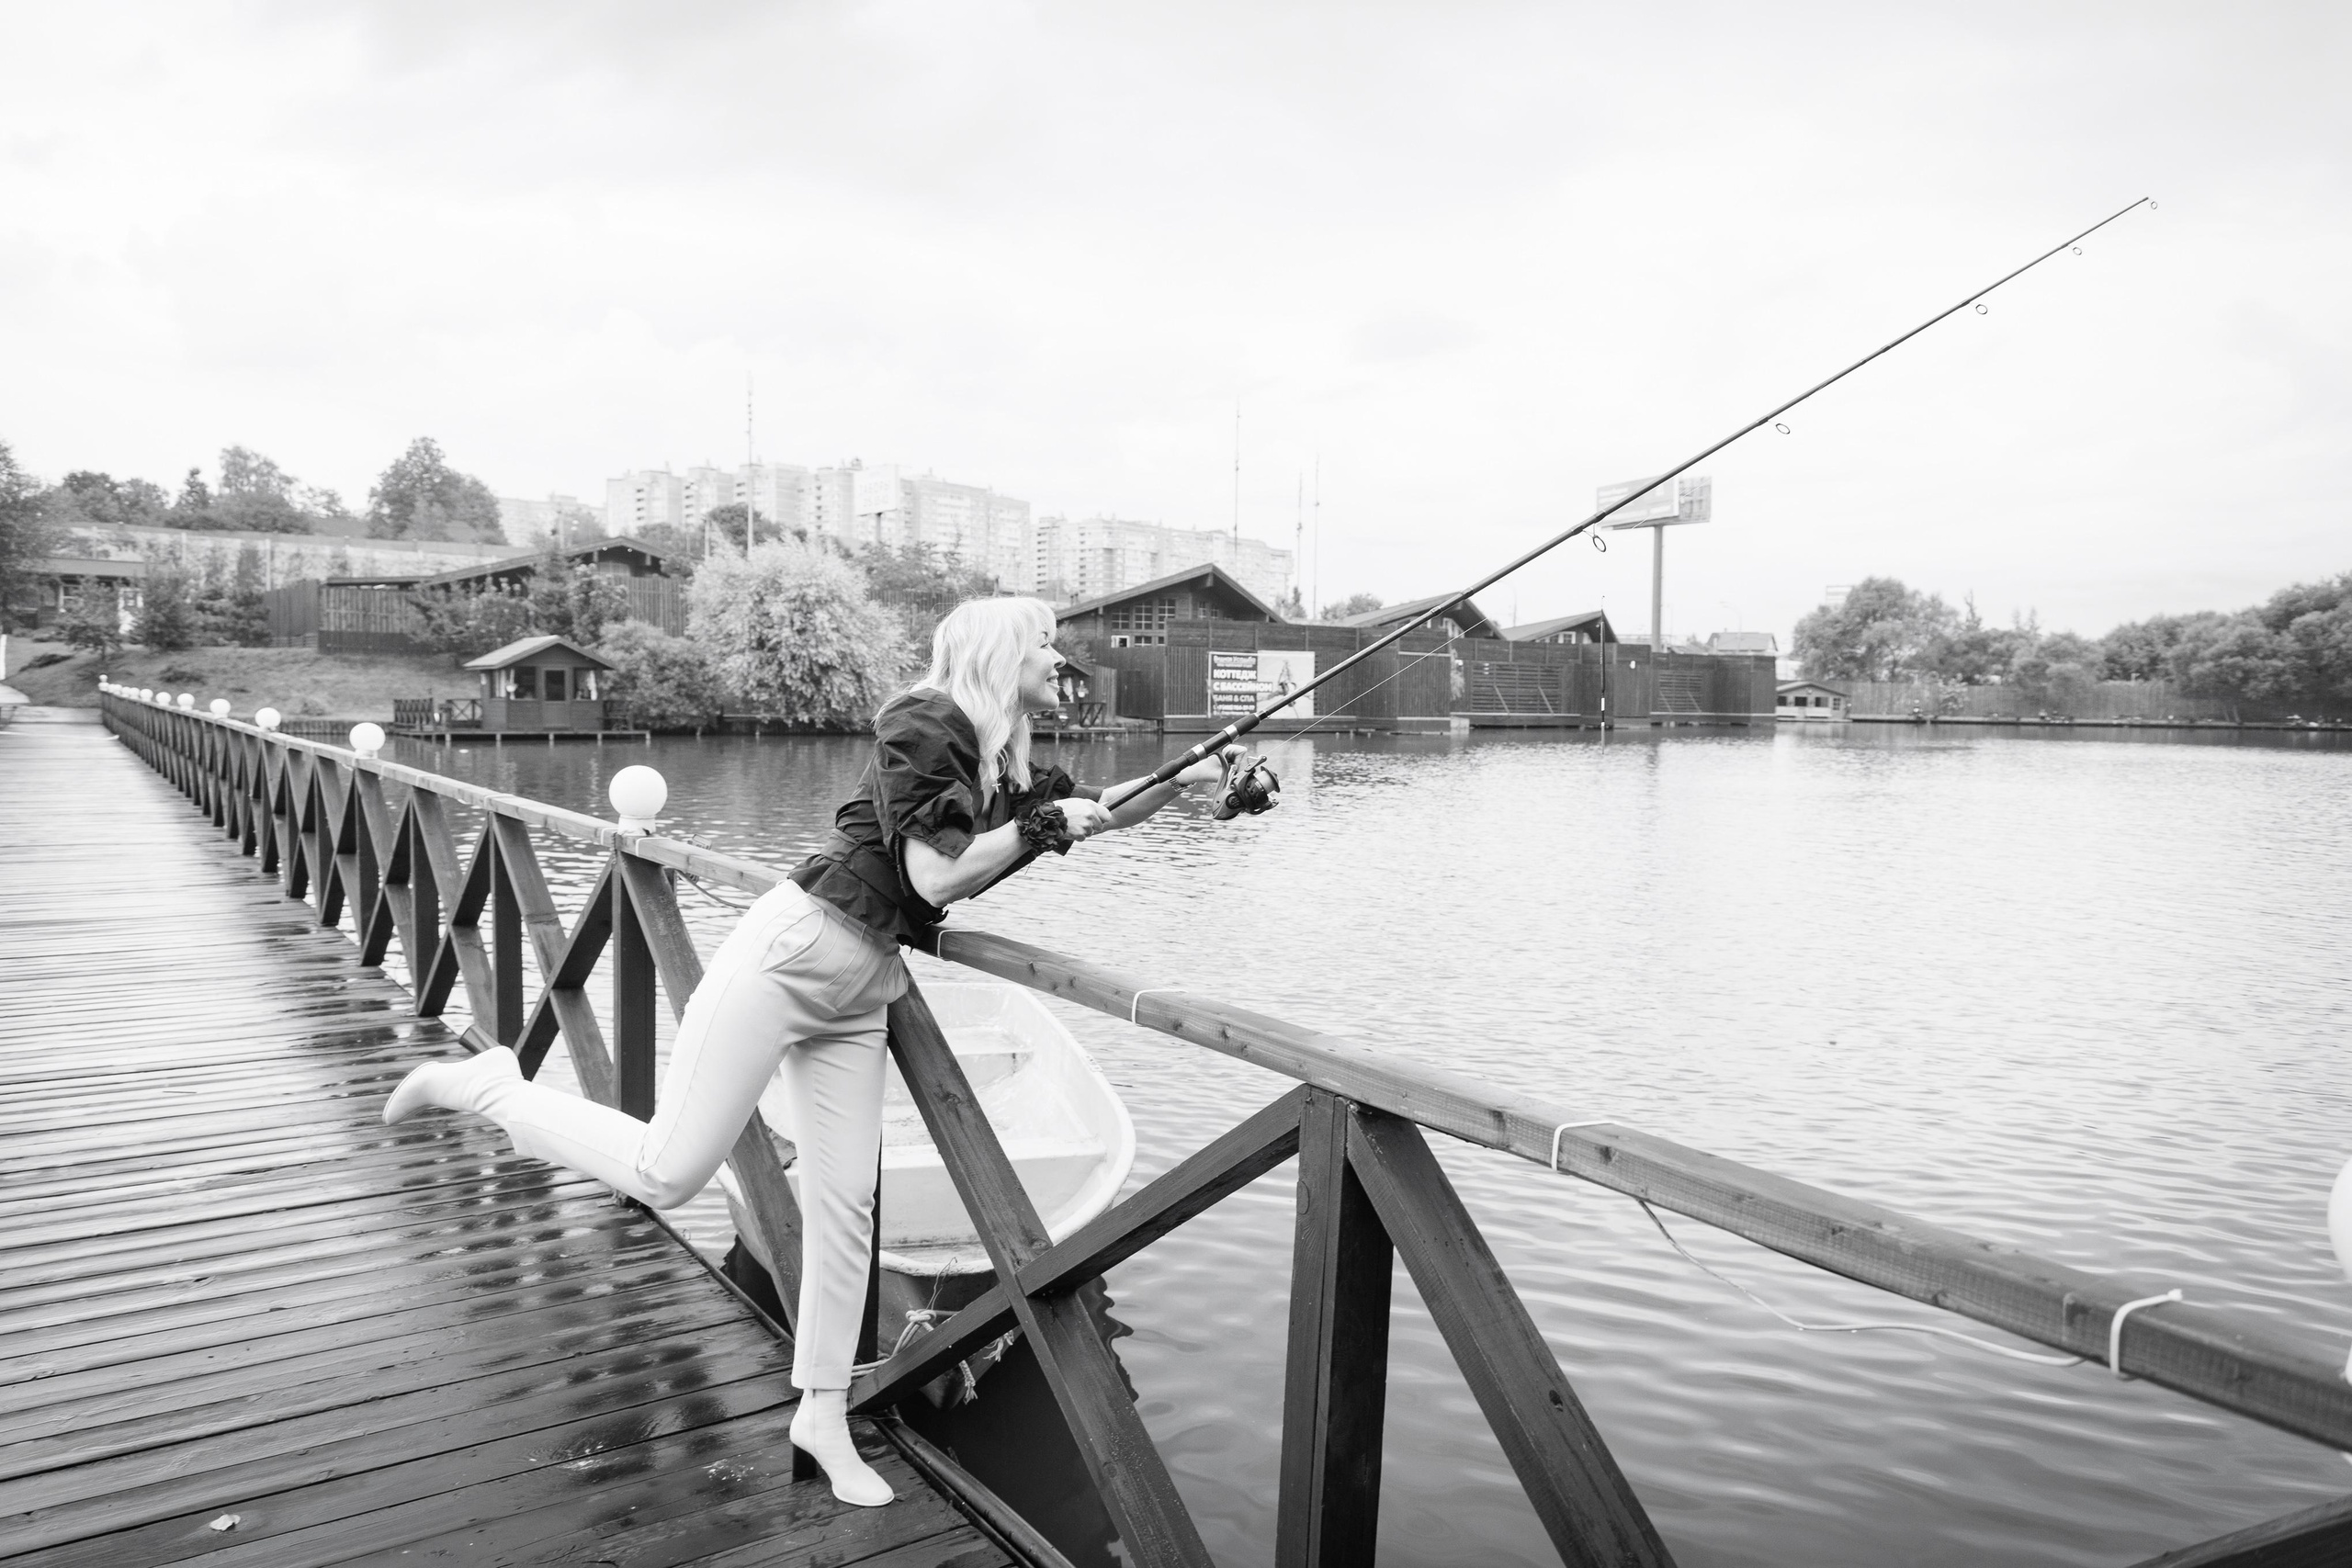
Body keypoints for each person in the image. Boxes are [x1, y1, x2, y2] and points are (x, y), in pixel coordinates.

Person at [381, 597, 1233, 1506]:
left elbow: (1094, 809)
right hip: (792, 954)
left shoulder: (992, 757)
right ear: (997, 648)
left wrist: (1183, 782)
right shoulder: (923, 722)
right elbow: (934, 874)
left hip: (864, 985)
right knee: (670, 1168)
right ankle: (491, 1088)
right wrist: (1045, 823)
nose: (1055, 653)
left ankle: (821, 1417)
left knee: (845, 1214)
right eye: (1043, 639)